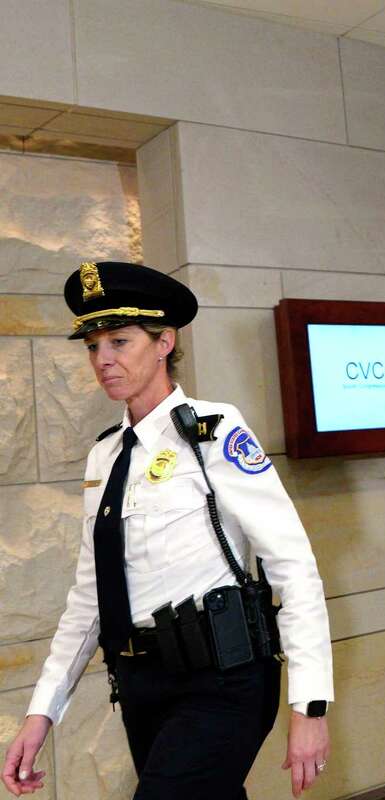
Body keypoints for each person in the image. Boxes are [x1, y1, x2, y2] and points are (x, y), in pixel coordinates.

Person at [2, 262, 334, 799]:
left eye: (120, 341)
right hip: (140, 684)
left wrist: (310, 704)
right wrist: (42, 711)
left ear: (164, 342)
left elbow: (292, 564)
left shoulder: (213, 432)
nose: (103, 359)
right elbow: (91, 596)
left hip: (223, 679)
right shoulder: (105, 454)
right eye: (92, 346)